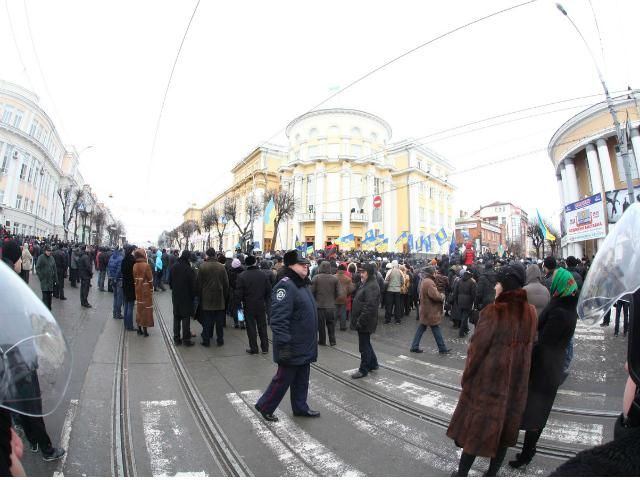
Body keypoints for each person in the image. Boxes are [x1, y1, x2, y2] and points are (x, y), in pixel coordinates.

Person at [447, 263, 537, 477]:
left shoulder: (493, 312)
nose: (495, 286)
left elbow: (475, 352)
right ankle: (491, 474)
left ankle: (462, 474)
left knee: (475, 432)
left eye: (498, 283)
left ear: (505, 286)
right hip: (515, 387)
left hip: (488, 386)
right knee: (503, 434)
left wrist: (467, 380)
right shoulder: (531, 312)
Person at [509, 267, 579, 470]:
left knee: (536, 412)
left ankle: (528, 452)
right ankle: (527, 449)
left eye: (554, 280)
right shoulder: (561, 303)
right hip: (546, 364)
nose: (551, 282)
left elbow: (546, 343)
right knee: (533, 410)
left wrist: (526, 351)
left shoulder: (561, 312)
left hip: (546, 368)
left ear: (560, 285)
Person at [254, 250, 319, 422]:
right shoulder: (286, 285)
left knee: (302, 379)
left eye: (306, 263)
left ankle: (300, 407)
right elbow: (278, 319)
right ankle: (265, 406)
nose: (305, 266)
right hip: (291, 345)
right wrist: (284, 345)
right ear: (290, 266)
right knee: (283, 379)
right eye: (301, 264)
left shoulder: (303, 284)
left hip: (304, 343)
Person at [410, 266, 451, 354]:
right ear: (431, 273)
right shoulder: (429, 282)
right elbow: (436, 296)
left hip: (425, 310)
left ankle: (414, 346)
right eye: (435, 272)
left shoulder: (425, 281)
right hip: (430, 311)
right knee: (435, 328)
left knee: (422, 328)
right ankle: (442, 348)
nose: (436, 273)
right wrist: (442, 296)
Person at [350, 263, 381, 379]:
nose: (361, 274)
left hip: (365, 321)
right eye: (360, 272)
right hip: (364, 320)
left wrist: (360, 321)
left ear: (369, 273)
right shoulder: (367, 283)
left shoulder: (372, 286)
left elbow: (369, 306)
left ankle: (363, 369)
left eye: (363, 272)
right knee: (366, 343)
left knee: (364, 346)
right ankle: (373, 363)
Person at [235, 255, 271, 354]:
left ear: (246, 264)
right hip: (260, 304)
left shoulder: (242, 276)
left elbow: (238, 294)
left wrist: (239, 308)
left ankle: (254, 348)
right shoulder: (263, 275)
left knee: (251, 328)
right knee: (262, 327)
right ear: (255, 262)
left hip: (248, 305)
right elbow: (269, 291)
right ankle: (265, 348)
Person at [196, 248, 229, 347]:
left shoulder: (202, 267)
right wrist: (225, 296)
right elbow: (226, 284)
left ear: (207, 255)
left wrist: (199, 296)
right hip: (219, 298)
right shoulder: (221, 267)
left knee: (207, 321)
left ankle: (206, 340)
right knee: (219, 322)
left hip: (206, 298)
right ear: (214, 255)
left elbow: (198, 284)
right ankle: (220, 340)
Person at [311, 261, 344, 346]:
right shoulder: (334, 278)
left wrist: (315, 300)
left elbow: (311, 292)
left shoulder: (316, 278)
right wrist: (333, 299)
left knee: (321, 325)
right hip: (331, 306)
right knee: (331, 324)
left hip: (319, 306)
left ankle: (322, 340)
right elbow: (340, 293)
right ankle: (332, 340)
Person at [169, 250, 196, 346]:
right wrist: (193, 296)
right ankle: (186, 340)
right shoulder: (189, 269)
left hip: (176, 296)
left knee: (176, 317)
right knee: (185, 318)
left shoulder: (173, 267)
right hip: (186, 296)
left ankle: (176, 338)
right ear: (187, 257)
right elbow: (193, 285)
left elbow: (170, 282)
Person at [133, 248, 154, 337]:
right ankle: (145, 330)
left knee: (139, 309)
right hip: (145, 290)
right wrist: (152, 288)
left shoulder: (135, 265)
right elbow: (150, 279)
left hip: (138, 289)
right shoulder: (146, 265)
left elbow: (134, 278)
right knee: (146, 309)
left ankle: (139, 329)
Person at [452, 269, 476, 337]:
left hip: (460, 301)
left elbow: (455, 291)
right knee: (465, 317)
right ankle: (461, 332)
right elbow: (473, 294)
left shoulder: (459, 281)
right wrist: (473, 302)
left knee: (463, 316)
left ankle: (466, 329)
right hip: (468, 302)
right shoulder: (472, 282)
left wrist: (456, 300)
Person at [36, 245, 57, 310]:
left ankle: (49, 307)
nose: (49, 252)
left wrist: (56, 279)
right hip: (44, 281)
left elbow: (54, 269)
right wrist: (41, 277)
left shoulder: (52, 258)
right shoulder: (41, 258)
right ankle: (45, 309)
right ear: (45, 251)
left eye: (49, 251)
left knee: (49, 296)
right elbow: (37, 268)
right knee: (45, 296)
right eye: (48, 251)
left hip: (50, 281)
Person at [121, 245, 137, 331]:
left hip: (125, 284)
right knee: (130, 306)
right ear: (132, 251)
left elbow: (122, 271)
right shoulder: (133, 260)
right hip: (131, 285)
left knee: (126, 305)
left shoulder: (124, 260)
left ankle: (125, 324)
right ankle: (130, 326)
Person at [335, 264, 354, 331]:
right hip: (344, 297)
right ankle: (343, 326)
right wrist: (347, 294)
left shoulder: (333, 277)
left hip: (335, 297)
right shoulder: (347, 279)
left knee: (335, 311)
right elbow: (351, 289)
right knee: (343, 312)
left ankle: (333, 325)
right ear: (344, 270)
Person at [108, 247, 124, 319]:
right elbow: (119, 270)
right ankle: (118, 314)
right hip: (119, 280)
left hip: (112, 279)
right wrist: (116, 278)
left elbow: (108, 267)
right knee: (119, 298)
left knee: (115, 297)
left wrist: (111, 277)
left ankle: (114, 313)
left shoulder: (112, 257)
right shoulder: (121, 258)